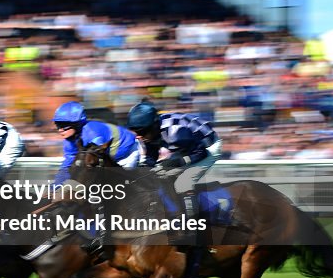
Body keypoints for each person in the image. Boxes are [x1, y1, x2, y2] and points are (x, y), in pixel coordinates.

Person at [51, 101, 141, 253]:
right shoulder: (69, 141)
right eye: (57, 125)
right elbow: (67, 166)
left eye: (64, 125)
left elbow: (97, 162)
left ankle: (108, 234)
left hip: (126, 155)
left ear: (77, 124)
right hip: (106, 158)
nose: (60, 129)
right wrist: (55, 188)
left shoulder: (91, 134)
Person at [125, 101, 222, 232]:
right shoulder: (151, 132)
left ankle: (193, 226)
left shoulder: (175, 133)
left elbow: (201, 153)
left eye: (141, 131)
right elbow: (151, 158)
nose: (138, 136)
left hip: (208, 147)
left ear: (153, 126)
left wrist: (177, 162)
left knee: (183, 183)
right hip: (188, 145)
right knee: (160, 174)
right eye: (136, 131)